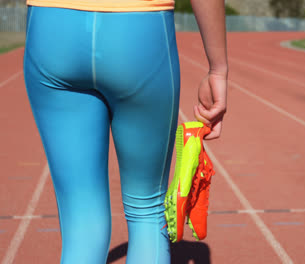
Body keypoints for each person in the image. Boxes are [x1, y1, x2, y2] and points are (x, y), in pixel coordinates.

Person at [22, 0, 227, 262]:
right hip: (139, 28)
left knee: (80, 226)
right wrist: (217, 69)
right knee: (147, 213)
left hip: (52, 30)